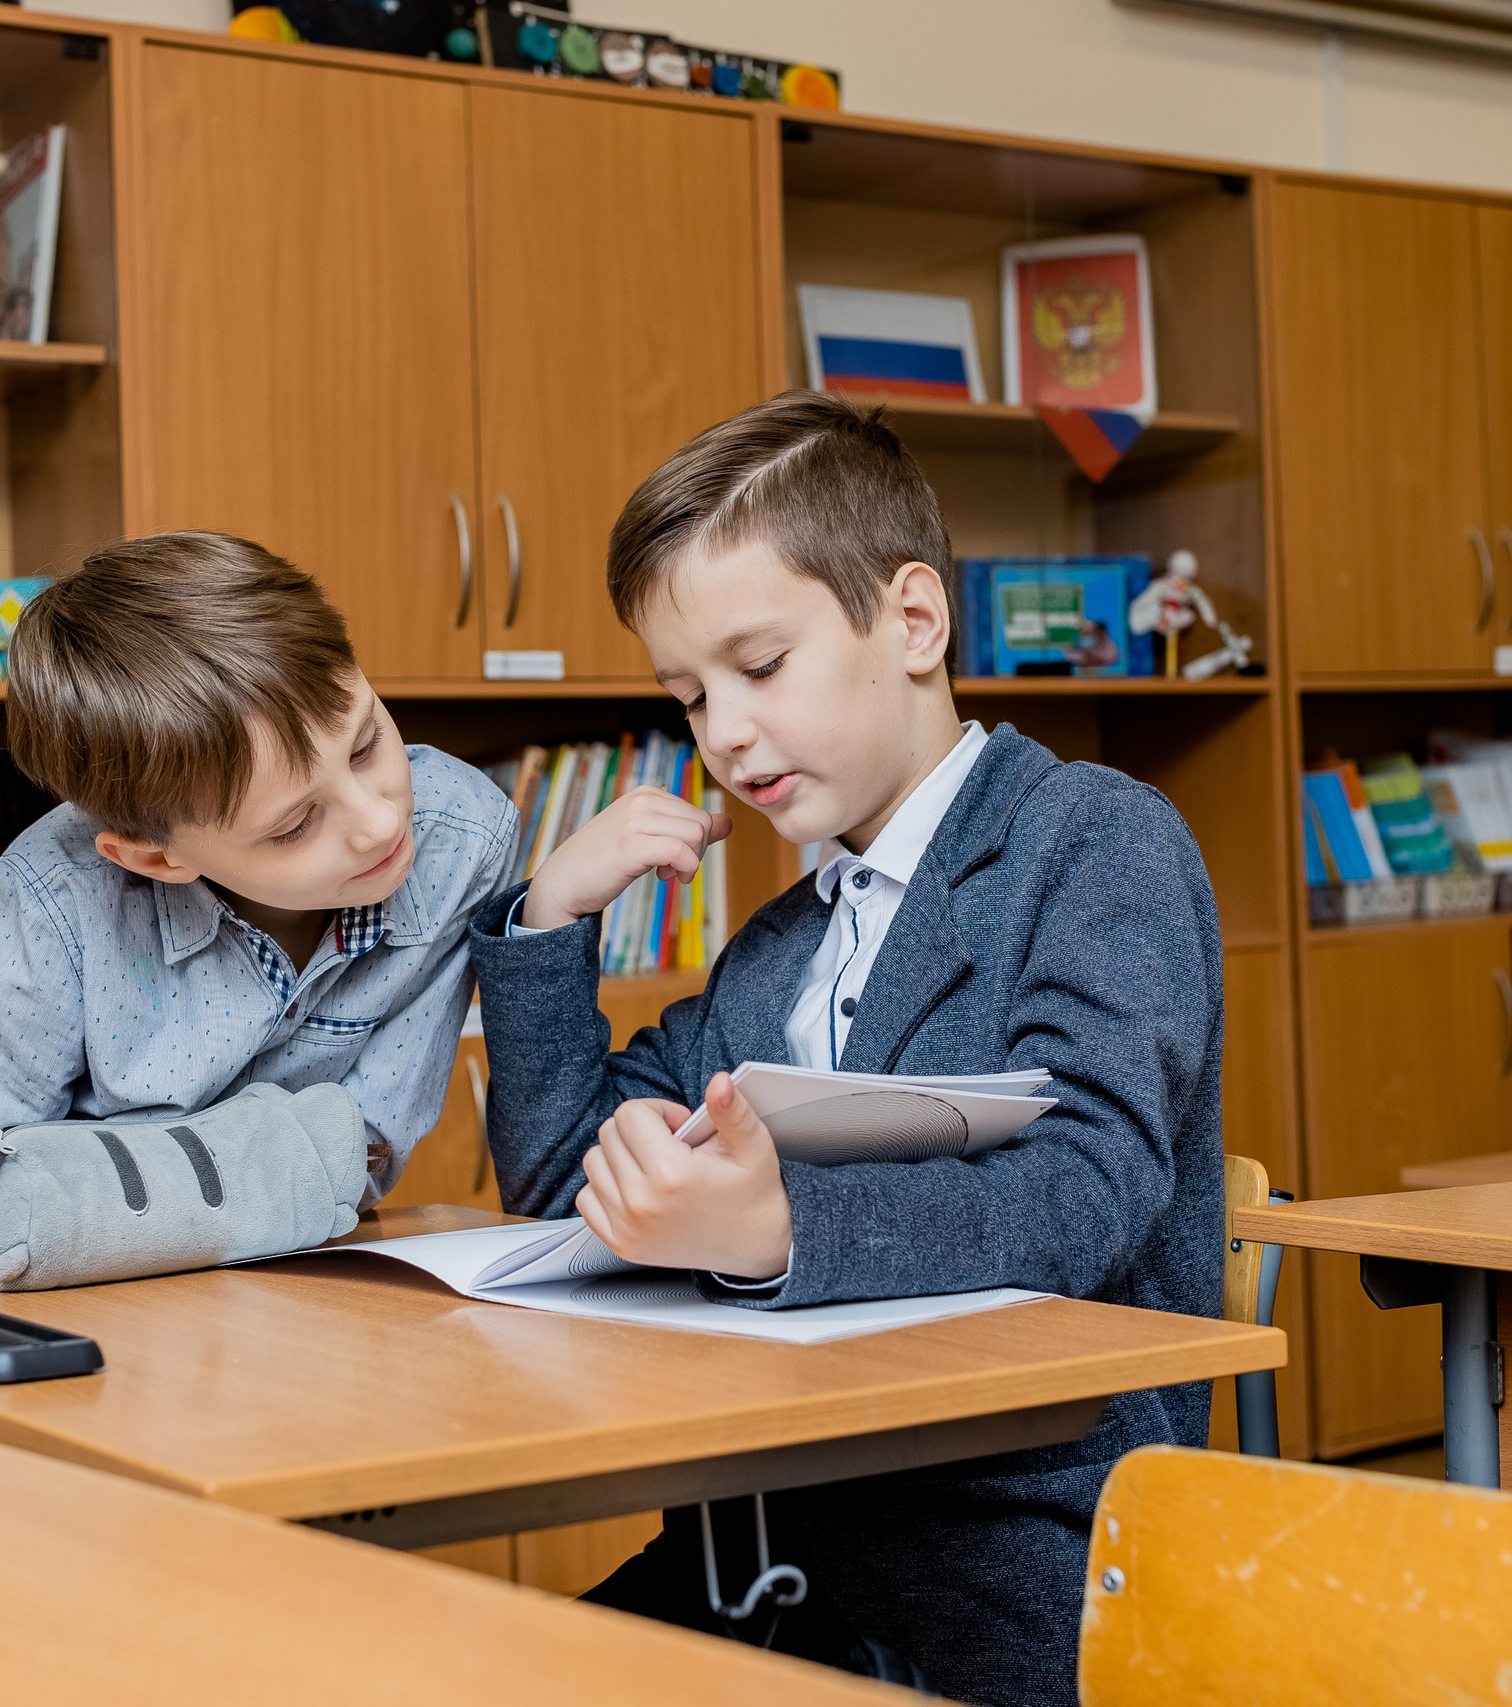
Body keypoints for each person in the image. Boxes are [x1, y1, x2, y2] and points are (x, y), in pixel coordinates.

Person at [467, 392, 1223, 1706]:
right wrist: (546, 923)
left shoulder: (1091, 841)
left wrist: (780, 1226)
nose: (724, 732)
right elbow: (554, 1191)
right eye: (690, 694)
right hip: (764, 1554)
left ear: (913, 621)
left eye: (760, 667)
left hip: (1004, 1573)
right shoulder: (779, 943)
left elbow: (1083, 1189)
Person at [0, 531, 517, 1263]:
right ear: (154, 854)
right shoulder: (44, 908)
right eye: (295, 824)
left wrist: (56, 1180)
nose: (380, 822)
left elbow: (360, 1156)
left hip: (296, 1298)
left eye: (368, 741)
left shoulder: (461, 838)